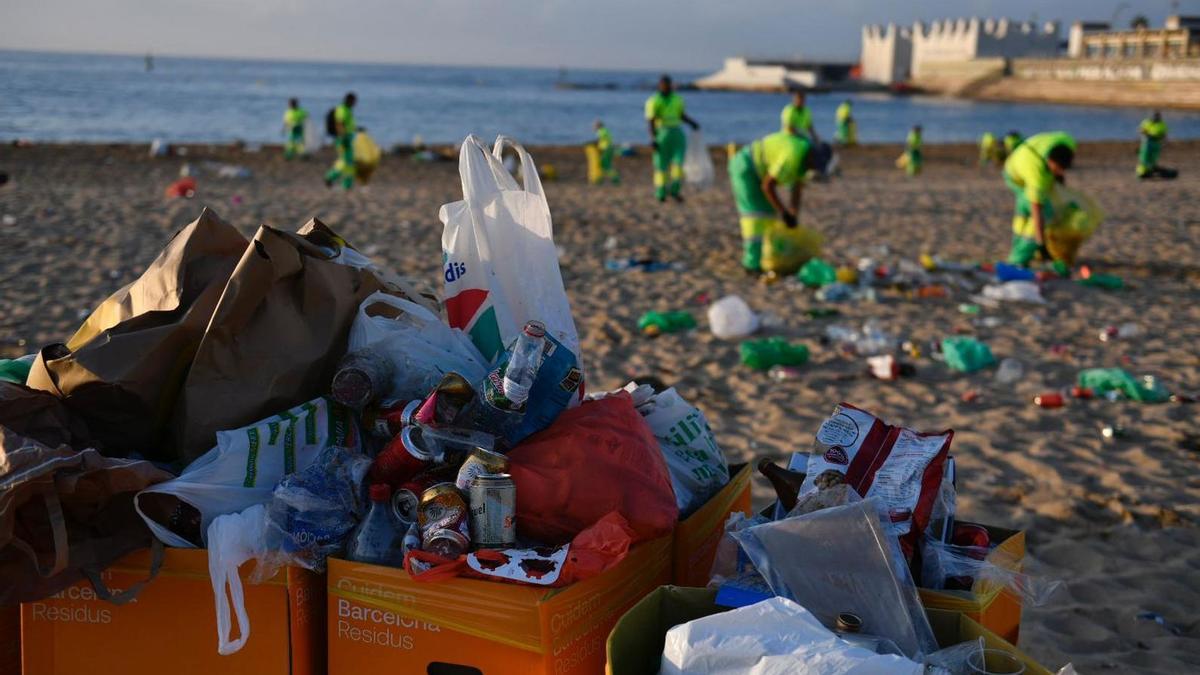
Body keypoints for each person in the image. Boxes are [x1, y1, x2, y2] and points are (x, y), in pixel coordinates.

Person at [728, 131, 812, 273]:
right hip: (745, 167)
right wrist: (784, 213)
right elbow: (768, 186)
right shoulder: (792, 155)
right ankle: (751, 264)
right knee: (756, 214)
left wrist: (793, 215)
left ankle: (765, 257)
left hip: (758, 171)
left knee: (769, 214)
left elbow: (796, 189)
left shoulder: (805, 160)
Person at [1002, 131, 1076, 270]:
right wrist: (1041, 243)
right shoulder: (1036, 175)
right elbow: (1037, 209)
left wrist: (1057, 175)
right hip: (1016, 177)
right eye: (1058, 169)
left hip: (1022, 158)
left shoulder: (1067, 141)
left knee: (1025, 212)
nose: (1060, 172)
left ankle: (1025, 246)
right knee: (1043, 213)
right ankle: (1019, 258)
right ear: (1050, 161)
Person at [645, 75, 700, 202]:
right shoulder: (655, 101)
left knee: (676, 163)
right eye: (665, 84)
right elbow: (651, 122)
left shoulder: (668, 100)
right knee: (663, 165)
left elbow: (681, 115)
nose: (666, 87)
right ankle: (662, 192)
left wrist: (692, 123)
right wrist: (653, 138)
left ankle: (672, 190)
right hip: (665, 133)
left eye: (667, 84)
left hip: (673, 133)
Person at [324, 92, 357, 189]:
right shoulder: (342, 110)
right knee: (345, 161)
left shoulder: (347, 110)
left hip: (348, 138)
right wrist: (343, 137)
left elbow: (348, 124)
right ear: (349, 100)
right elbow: (340, 124)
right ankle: (330, 176)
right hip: (343, 139)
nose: (355, 104)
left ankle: (347, 185)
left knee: (349, 162)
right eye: (354, 101)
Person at [1137, 111, 1169, 179]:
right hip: (1147, 142)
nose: (1156, 118)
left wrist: (1164, 142)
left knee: (1153, 158)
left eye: (1158, 116)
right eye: (1155, 116)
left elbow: (1164, 135)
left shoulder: (1162, 124)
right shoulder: (1146, 122)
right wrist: (1145, 135)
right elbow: (1141, 130)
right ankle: (1141, 172)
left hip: (1157, 143)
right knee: (1144, 158)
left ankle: (1150, 171)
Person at [593, 119, 619, 184]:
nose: (593, 127)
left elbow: (600, 139)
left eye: (594, 126)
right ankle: (601, 179)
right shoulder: (605, 130)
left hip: (607, 150)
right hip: (609, 149)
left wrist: (594, 143)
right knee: (605, 165)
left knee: (605, 165)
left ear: (598, 126)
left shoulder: (601, 131)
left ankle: (615, 178)